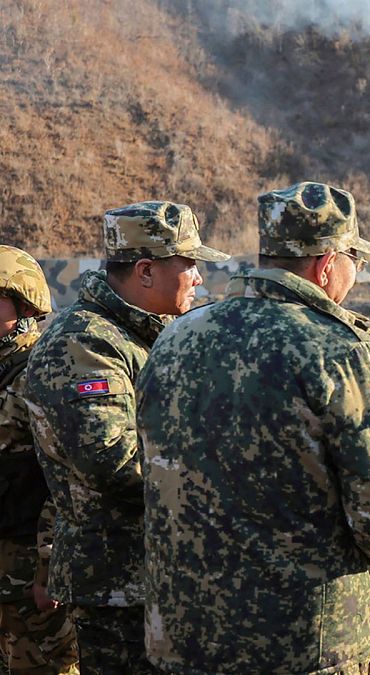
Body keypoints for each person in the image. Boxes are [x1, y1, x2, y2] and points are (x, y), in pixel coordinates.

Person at [135, 182, 370, 673]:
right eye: (357, 258)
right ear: (327, 263)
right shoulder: (336, 347)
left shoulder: (178, 335)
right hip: (299, 639)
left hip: (184, 633)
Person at [23, 201, 228, 673]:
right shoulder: (85, 343)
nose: (198, 277)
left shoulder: (154, 333)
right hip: (121, 585)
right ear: (146, 271)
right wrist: (226, 472)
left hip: (169, 572)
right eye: (190, 264)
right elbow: (114, 460)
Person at [0, 247, 79, 675]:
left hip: (30, 584)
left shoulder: (41, 371)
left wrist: (50, 569)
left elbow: (63, 479)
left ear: (24, 304)